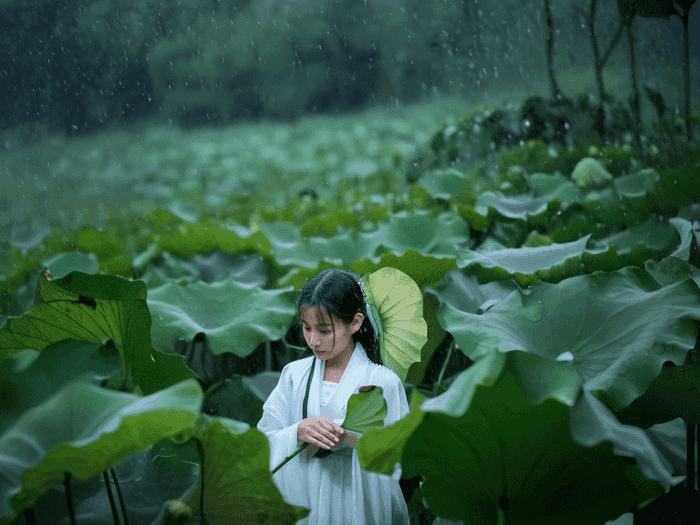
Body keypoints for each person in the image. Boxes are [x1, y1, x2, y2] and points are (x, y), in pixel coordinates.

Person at [257, 268, 411, 524]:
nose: (313, 341)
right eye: (306, 328)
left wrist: (352, 439)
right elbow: (264, 439)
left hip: (358, 505)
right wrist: (297, 431)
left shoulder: (383, 382)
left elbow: (401, 455)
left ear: (355, 322)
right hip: (305, 500)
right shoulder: (293, 375)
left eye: (324, 330)